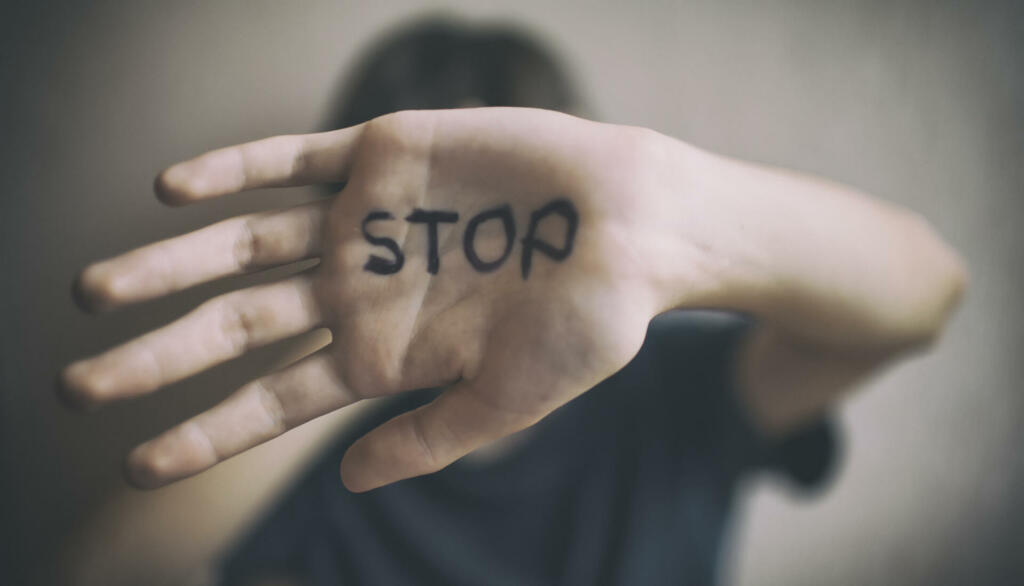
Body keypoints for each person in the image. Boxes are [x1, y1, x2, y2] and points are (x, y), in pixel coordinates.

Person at [58, 18, 966, 586]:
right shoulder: (344, 469)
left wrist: (670, 210)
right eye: (413, 223)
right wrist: (332, 356)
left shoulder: (679, 388)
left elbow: (927, 292)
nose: (468, 276)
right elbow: (121, 570)